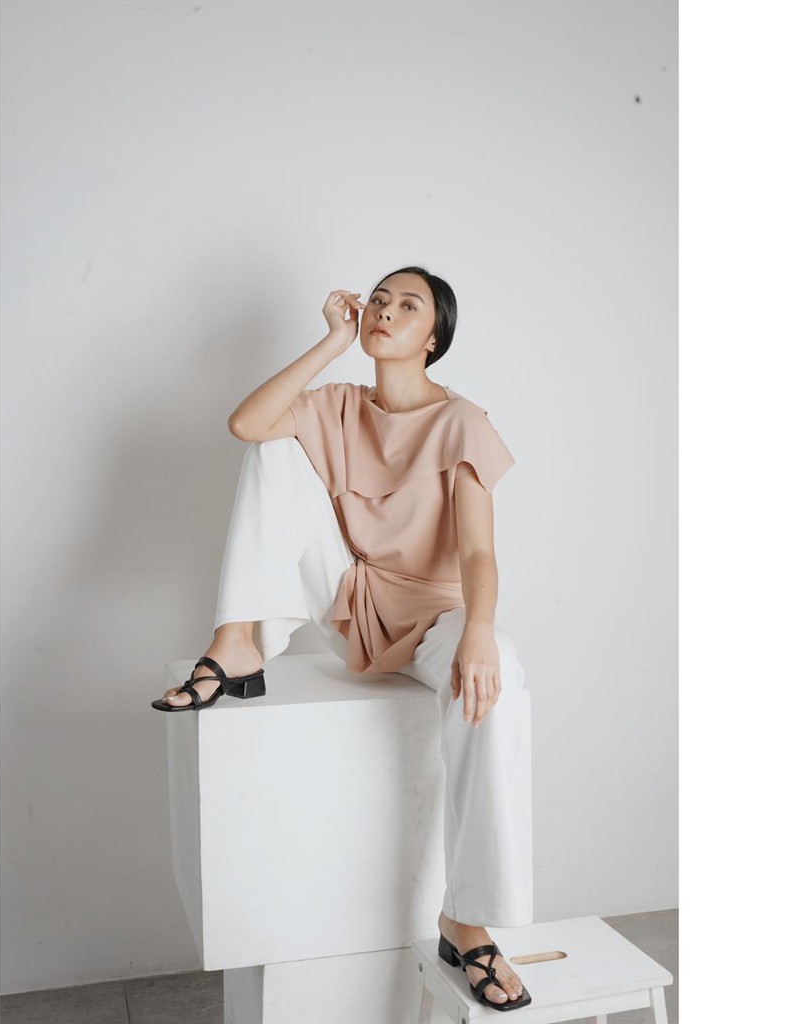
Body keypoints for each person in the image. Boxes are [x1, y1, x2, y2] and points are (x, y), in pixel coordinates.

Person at [152, 267, 532, 1010]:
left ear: (434, 337)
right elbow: (247, 423)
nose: (386, 311)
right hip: (350, 602)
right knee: (272, 448)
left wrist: (481, 629)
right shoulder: (339, 405)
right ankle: (235, 644)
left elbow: (478, 553)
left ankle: (468, 920)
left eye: (408, 306)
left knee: (503, 675)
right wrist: (332, 340)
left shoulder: (463, 423)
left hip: (433, 617)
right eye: (379, 300)